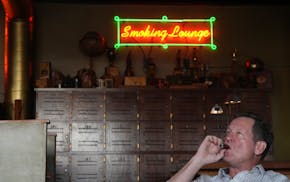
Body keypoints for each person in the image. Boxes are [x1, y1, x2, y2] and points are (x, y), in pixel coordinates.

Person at [168, 112, 289, 182]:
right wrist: (198, 159)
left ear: (259, 147)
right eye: (228, 132)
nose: (228, 138)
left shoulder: (275, 180)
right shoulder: (209, 181)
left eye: (239, 133)